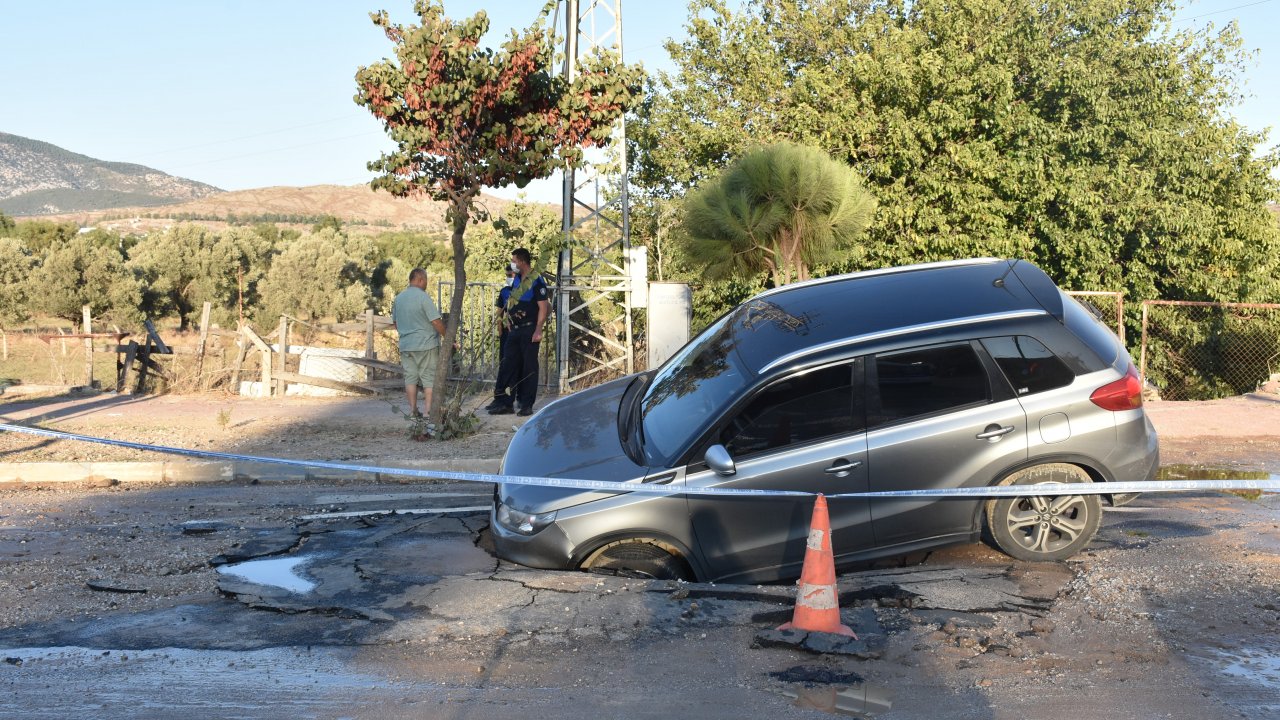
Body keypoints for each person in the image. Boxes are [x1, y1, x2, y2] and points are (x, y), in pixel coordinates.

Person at [486, 248, 549, 417]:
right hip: (514, 329)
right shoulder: (517, 280)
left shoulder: (536, 280)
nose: (512, 263)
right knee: (508, 365)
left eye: (514, 260)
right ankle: (504, 402)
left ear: (522, 261)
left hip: (530, 329)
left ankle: (526, 404)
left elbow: (544, 307)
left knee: (529, 367)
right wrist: (507, 320)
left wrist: (538, 329)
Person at [391, 267, 446, 420]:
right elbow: (435, 321)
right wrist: (447, 337)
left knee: (410, 378)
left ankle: (413, 411)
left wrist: (405, 332)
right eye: (426, 280)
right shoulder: (423, 297)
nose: (426, 284)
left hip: (406, 345)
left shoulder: (399, 298)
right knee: (429, 379)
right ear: (420, 279)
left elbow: (395, 322)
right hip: (426, 344)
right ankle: (428, 411)